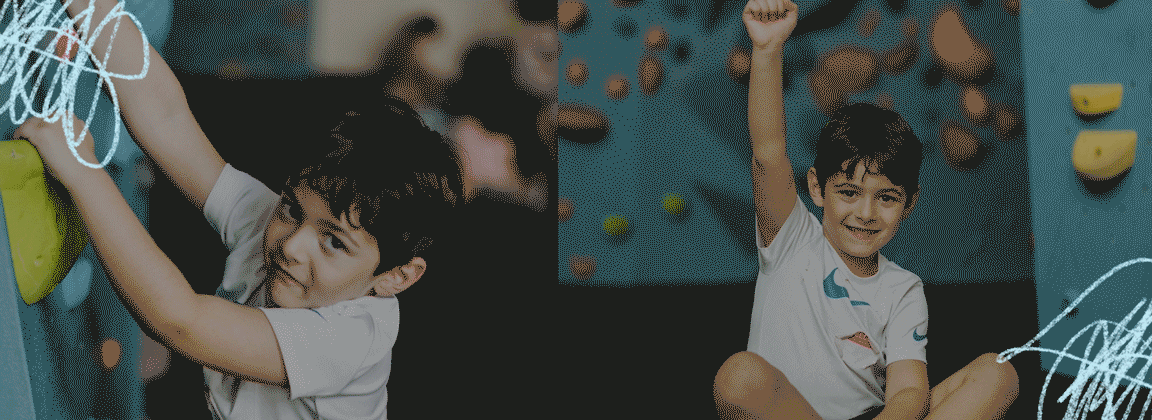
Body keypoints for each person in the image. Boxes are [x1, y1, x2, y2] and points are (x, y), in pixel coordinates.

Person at [16, 0, 461, 418]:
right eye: (291, 207)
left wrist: (83, 173)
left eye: (333, 243)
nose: (292, 246)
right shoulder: (279, 227)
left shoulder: (353, 339)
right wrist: (92, 8)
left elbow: (181, 320)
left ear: (396, 277)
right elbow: (169, 120)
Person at [712, 1, 1019, 419]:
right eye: (850, 192)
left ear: (909, 204)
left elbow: (909, 392)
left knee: (997, 373)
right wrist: (766, 50)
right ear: (817, 190)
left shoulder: (902, 289)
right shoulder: (791, 241)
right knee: (739, 377)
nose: (866, 212)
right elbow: (768, 154)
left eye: (887, 197)